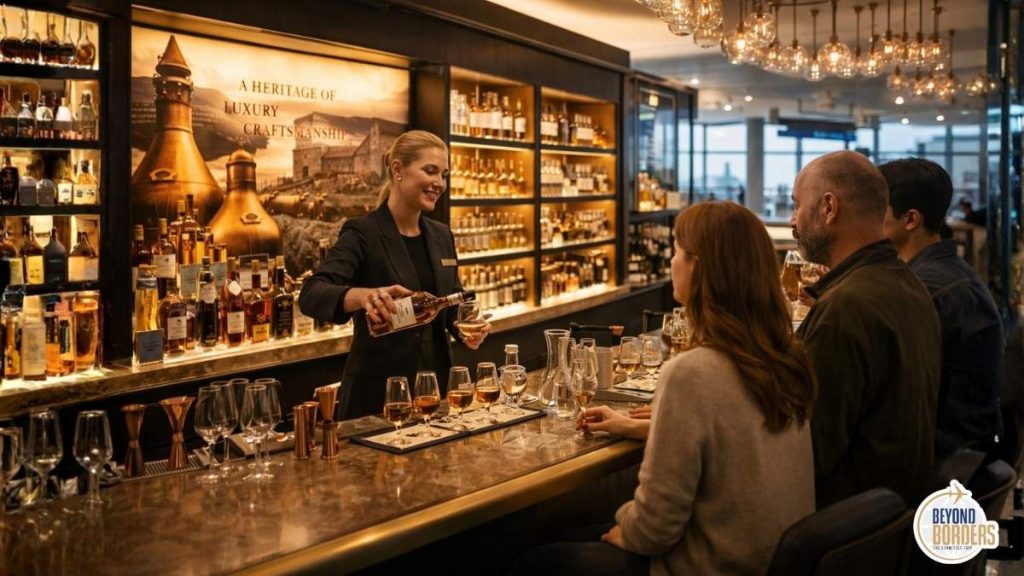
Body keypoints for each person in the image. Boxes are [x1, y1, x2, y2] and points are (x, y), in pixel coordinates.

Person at [513, 202, 817, 576]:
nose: (671, 263)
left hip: (710, 564)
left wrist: (625, 522)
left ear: (699, 266)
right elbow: (734, 439)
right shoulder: (783, 356)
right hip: (767, 557)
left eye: (676, 250)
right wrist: (638, 426)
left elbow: (653, 530)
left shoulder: (693, 371)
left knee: (536, 560)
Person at [298, 130, 489, 419]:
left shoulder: (441, 235)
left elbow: (450, 304)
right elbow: (311, 294)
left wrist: (467, 328)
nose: (439, 183)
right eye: (430, 171)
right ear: (398, 170)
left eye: (444, 175)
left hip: (438, 391)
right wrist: (363, 297)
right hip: (380, 397)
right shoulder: (363, 232)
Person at [790, 150, 941, 508]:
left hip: (845, 527)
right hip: (889, 518)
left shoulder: (847, 307)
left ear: (828, 208)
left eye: (796, 205)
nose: (793, 221)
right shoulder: (907, 282)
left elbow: (808, 449)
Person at [879, 158, 1004, 460]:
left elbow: (894, 393)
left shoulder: (924, 289)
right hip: (972, 449)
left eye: (875, 210)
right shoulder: (953, 272)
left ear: (910, 220)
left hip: (942, 461)